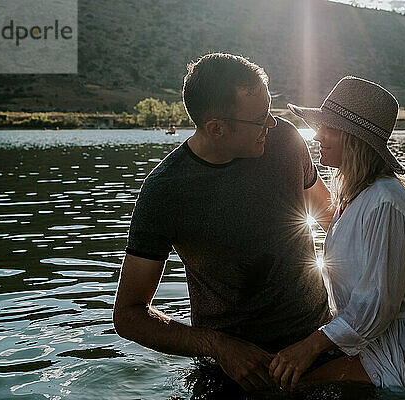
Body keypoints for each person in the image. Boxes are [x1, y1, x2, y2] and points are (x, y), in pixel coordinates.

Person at [113, 53, 334, 394]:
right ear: (216, 128)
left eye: (270, 110)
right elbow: (128, 315)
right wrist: (218, 347)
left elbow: (330, 217)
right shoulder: (165, 192)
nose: (271, 125)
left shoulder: (287, 141)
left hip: (315, 350)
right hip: (232, 372)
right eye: (260, 119)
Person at [269, 76, 405, 391]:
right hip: (371, 344)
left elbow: (376, 306)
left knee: (283, 387)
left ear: (355, 139)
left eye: (329, 129)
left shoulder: (386, 202)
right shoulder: (355, 197)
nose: (317, 137)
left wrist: (310, 346)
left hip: (399, 354)